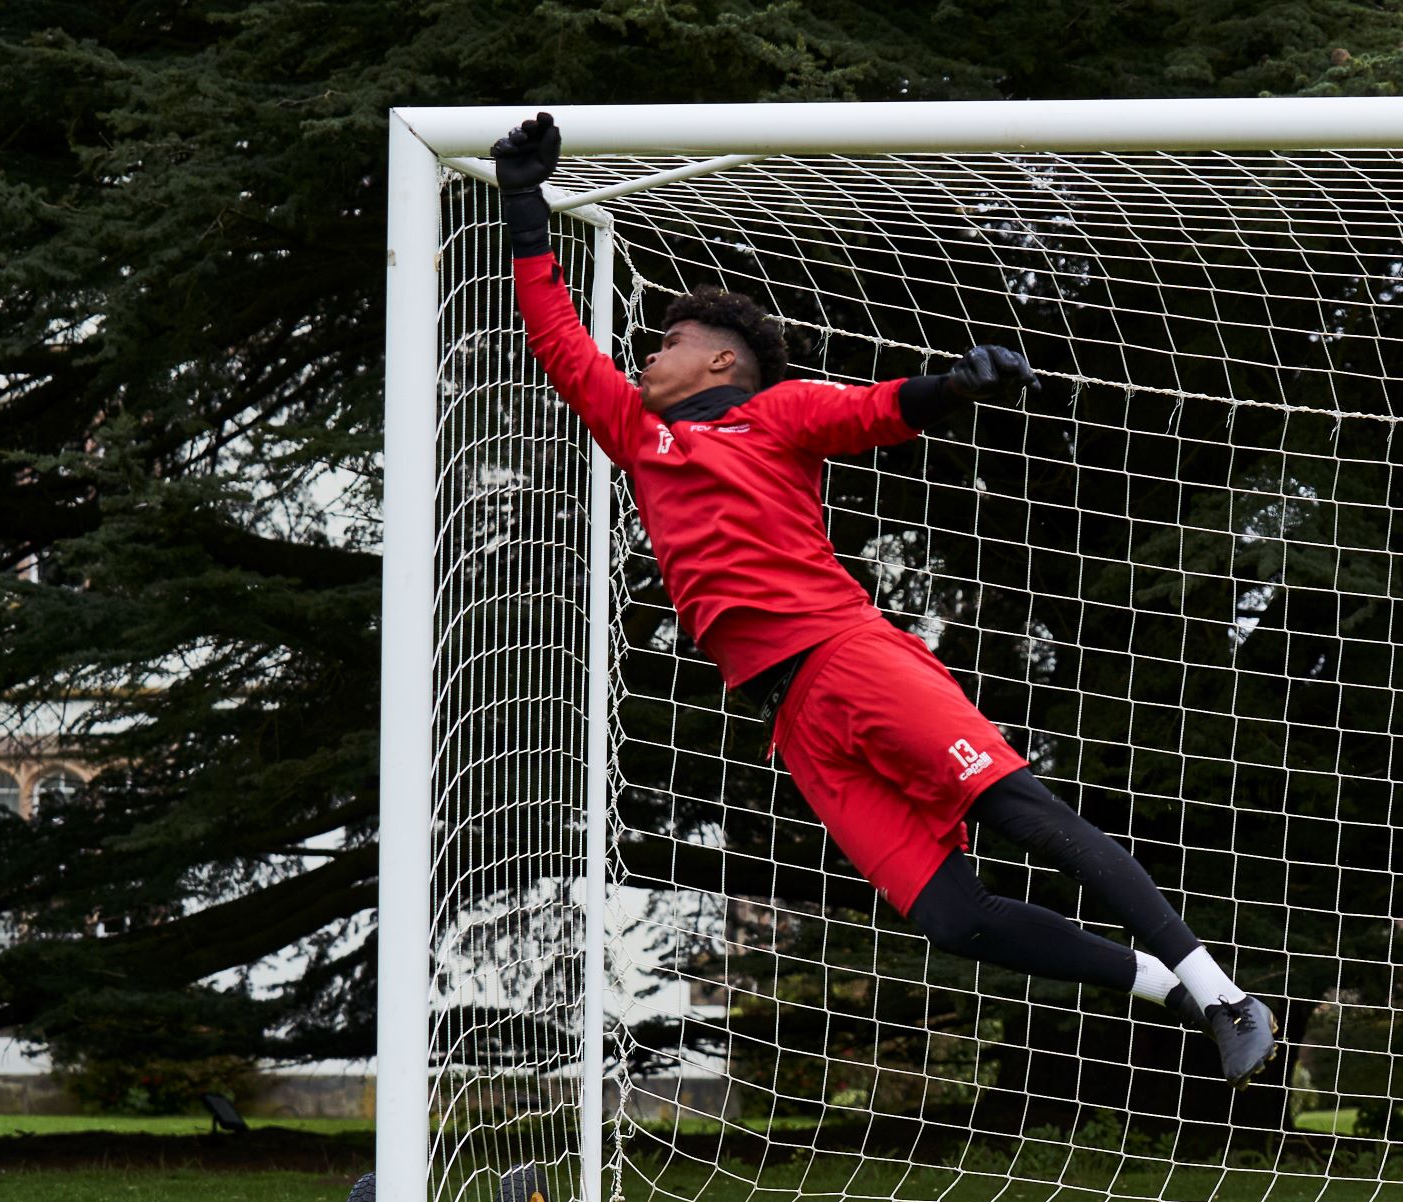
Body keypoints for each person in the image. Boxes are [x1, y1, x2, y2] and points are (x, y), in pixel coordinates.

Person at [491, 113, 1278, 1085]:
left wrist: (952, 385)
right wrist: (523, 200)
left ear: (723, 363)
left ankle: (1220, 989)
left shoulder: (771, 415)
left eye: (670, 339)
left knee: (1023, 812)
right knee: (953, 918)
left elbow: (871, 411)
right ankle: (1163, 988)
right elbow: (562, 344)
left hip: (850, 660)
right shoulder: (639, 436)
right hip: (795, 717)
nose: (648, 353)